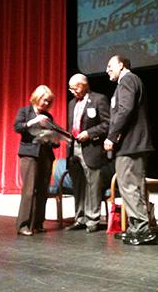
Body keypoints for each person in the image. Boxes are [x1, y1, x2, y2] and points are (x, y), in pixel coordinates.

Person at [104, 55, 156, 245]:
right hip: (134, 144)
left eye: (110, 66)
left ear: (121, 65)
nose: (107, 70)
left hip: (131, 144)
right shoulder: (128, 82)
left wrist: (111, 136)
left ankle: (142, 228)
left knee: (129, 186)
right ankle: (136, 227)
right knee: (133, 187)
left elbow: (125, 110)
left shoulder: (128, 80)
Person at [66, 73, 110, 233]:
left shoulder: (99, 99)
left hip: (92, 149)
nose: (73, 91)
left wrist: (90, 133)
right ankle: (80, 219)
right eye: (70, 89)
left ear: (85, 85)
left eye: (75, 87)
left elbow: (107, 124)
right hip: (74, 149)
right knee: (78, 186)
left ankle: (92, 219)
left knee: (93, 185)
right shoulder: (71, 103)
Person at [14, 85, 58, 236]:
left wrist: (56, 140)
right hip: (30, 155)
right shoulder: (25, 112)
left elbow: (49, 135)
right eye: (44, 100)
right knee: (29, 190)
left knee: (42, 191)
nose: (46, 103)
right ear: (37, 97)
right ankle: (23, 225)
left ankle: (38, 223)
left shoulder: (48, 116)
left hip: (45, 155)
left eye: (48, 101)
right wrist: (33, 121)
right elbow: (18, 127)